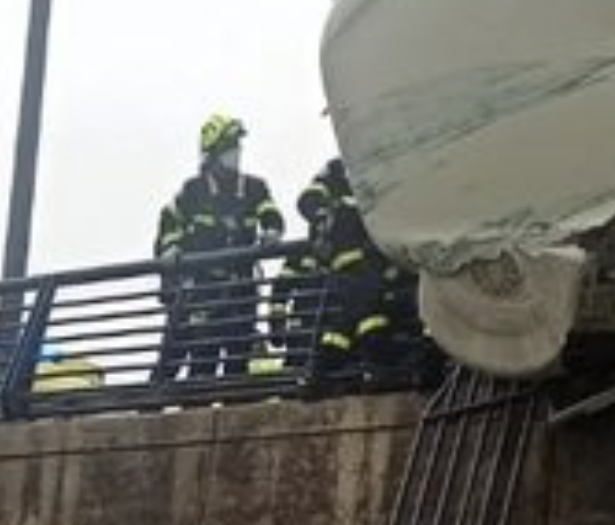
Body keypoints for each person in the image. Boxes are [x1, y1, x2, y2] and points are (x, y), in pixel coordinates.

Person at [152, 113, 284, 386]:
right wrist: (171, 249)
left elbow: (271, 215)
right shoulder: (193, 191)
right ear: (212, 153)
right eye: (229, 147)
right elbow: (169, 223)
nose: (235, 154)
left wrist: (272, 232)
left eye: (237, 147)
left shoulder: (253, 188)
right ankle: (188, 411)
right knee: (202, 359)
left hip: (242, 291)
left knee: (238, 361)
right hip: (203, 291)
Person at [283, 156, 434, 394]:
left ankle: (327, 374)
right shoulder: (338, 168)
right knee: (363, 317)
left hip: (380, 265)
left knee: (364, 318)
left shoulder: (387, 166)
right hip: (354, 266)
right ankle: (333, 373)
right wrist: (322, 217)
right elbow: (308, 198)